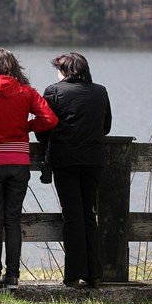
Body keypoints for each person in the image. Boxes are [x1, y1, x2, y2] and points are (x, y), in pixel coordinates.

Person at [0, 48, 58, 290]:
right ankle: (13, 276)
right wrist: (26, 127)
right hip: (18, 161)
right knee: (13, 220)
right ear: (14, 66)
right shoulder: (27, 92)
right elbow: (50, 119)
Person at [37, 52, 112, 289]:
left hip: (66, 160)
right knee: (89, 213)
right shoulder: (100, 91)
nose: (56, 73)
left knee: (72, 215)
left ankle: (73, 274)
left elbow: (43, 127)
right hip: (94, 160)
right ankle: (94, 273)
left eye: (58, 69)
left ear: (65, 71)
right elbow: (106, 125)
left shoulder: (54, 91)